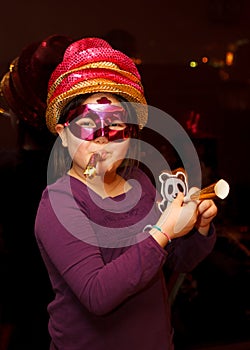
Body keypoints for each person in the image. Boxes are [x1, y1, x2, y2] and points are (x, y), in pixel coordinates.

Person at [34, 37, 218, 350]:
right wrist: (162, 231)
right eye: (88, 124)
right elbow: (97, 294)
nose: (103, 138)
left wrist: (197, 228)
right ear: (64, 135)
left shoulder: (140, 184)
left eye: (116, 125)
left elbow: (177, 260)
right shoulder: (59, 204)